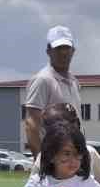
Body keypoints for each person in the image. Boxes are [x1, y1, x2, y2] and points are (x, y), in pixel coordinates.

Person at [22, 26, 82, 157]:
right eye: (58, 48)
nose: (63, 52)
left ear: (73, 50)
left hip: (72, 156)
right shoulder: (43, 80)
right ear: (48, 50)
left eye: (66, 48)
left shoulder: (74, 82)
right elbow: (31, 124)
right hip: (53, 157)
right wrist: (40, 160)